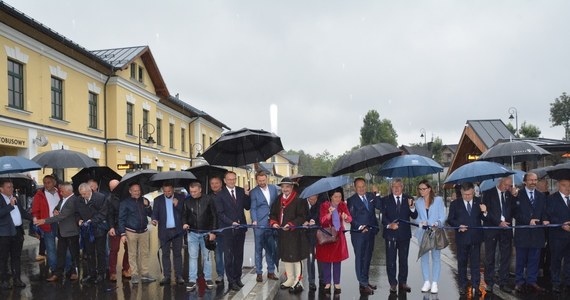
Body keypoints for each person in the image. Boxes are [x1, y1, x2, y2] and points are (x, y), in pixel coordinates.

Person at [34, 182, 81, 283]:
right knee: (61, 253)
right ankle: (57, 273)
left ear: (69, 191)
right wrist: (55, 210)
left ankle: (74, 272)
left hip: (71, 231)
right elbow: (58, 208)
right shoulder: (63, 199)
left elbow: (62, 216)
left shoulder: (73, 200)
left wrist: (44, 220)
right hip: (62, 231)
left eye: (62, 191)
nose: (60, 192)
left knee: (73, 253)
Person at [270, 177, 309, 294]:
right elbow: (272, 214)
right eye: (283, 187)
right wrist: (275, 223)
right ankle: (290, 278)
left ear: (292, 187)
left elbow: (303, 216)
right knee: (286, 256)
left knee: (296, 257)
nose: (285, 189)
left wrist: (291, 224)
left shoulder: (299, 199)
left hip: (295, 233)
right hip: (282, 233)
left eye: (287, 186)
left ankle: (298, 280)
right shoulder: (278, 199)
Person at [447, 182, 487, 296]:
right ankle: (463, 286)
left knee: (475, 264)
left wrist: (485, 211)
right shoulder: (455, 204)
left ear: (473, 192)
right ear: (461, 192)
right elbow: (450, 219)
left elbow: (485, 218)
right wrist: (458, 225)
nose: (467, 197)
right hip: (462, 239)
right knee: (462, 264)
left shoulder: (479, 202)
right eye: (465, 194)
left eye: (469, 194)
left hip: (476, 238)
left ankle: (476, 286)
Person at [214, 171, 249, 291]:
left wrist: (247, 194)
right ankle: (231, 281)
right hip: (228, 230)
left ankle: (238, 278)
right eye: (229, 179)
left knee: (239, 255)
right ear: (224, 180)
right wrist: (231, 222)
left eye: (234, 179)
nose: (232, 181)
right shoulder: (220, 195)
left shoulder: (240, 191)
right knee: (229, 257)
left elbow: (247, 206)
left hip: (241, 229)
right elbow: (220, 213)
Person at [381, 178, 418, 293]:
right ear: (391, 187)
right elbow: (383, 217)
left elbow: (415, 215)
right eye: (394, 186)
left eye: (399, 186)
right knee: (391, 261)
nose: (396, 188)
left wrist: (412, 206)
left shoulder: (409, 198)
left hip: (404, 235)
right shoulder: (386, 199)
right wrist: (389, 225)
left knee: (403, 260)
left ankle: (403, 282)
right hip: (390, 235)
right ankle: (393, 283)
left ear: (402, 187)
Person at [513, 172, 548, 293]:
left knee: (534, 259)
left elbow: (544, 211)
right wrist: (528, 220)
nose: (533, 182)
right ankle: (519, 282)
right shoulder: (517, 195)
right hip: (522, 233)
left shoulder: (542, 196)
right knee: (521, 259)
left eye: (535, 180)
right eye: (531, 180)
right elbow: (515, 213)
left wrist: (545, 220)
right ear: (525, 181)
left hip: (537, 234)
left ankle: (532, 281)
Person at [482, 176, 515, 293]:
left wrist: (516, 196)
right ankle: (489, 282)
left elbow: (515, 210)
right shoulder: (487, 194)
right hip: (492, 229)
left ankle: (504, 282)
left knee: (505, 257)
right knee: (490, 258)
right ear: (500, 182)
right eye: (506, 185)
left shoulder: (510, 195)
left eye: (510, 185)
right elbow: (484, 213)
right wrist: (498, 222)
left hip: (506, 230)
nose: (508, 187)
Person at [182, 181, 218, 291]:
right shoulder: (187, 201)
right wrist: (184, 223)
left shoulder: (208, 199)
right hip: (192, 233)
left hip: (206, 233)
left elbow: (214, 216)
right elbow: (184, 215)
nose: (193, 193)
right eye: (191, 191)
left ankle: (208, 278)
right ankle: (192, 280)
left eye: (195, 191)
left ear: (200, 190)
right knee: (193, 257)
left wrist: (213, 232)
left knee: (206, 257)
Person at [346, 178, 379, 295]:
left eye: (363, 186)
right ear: (355, 188)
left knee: (368, 257)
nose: (361, 189)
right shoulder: (351, 200)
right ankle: (362, 284)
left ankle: (365, 280)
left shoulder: (371, 196)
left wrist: (377, 193)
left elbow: (379, 206)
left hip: (371, 232)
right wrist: (360, 227)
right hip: (359, 234)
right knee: (360, 258)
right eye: (359, 187)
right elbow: (350, 218)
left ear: (366, 186)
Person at [413, 179, 446, 294]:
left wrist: (437, 223)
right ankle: (426, 281)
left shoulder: (438, 200)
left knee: (436, 258)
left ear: (429, 189)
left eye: (424, 189)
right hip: (423, 233)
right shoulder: (418, 202)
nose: (422, 191)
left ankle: (435, 282)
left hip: (436, 232)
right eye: (420, 189)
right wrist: (421, 222)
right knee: (424, 258)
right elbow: (416, 218)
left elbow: (443, 216)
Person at [119, 183, 155, 284]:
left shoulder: (144, 200)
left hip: (143, 231)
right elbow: (121, 219)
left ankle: (145, 274)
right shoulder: (125, 202)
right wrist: (122, 234)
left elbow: (150, 214)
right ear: (130, 191)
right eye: (135, 191)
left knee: (145, 253)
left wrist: (147, 205)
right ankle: (134, 274)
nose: (137, 192)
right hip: (131, 232)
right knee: (132, 254)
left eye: (138, 190)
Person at [0, 179, 32, 289]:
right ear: (1, 189)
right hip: (4, 234)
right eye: (9, 187)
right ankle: (4, 280)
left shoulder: (15, 198)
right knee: (3, 258)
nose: (11, 189)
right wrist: (10, 205)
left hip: (17, 231)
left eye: (12, 187)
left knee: (16, 257)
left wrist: (34, 218)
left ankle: (17, 279)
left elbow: (22, 212)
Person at [151, 182, 185, 286]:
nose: (167, 193)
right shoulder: (158, 200)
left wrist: (177, 205)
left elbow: (184, 213)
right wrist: (154, 220)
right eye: (165, 191)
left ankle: (179, 276)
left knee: (177, 254)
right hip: (164, 231)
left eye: (169, 191)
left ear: (173, 189)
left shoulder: (181, 198)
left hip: (177, 230)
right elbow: (155, 213)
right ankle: (167, 276)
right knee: (165, 254)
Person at [249, 171, 279, 282]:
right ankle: (259, 273)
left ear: (267, 179)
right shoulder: (254, 192)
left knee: (270, 248)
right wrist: (254, 220)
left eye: (263, 180)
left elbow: (276, 205)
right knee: (258, 249)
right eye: (259, 181)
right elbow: (253, 208)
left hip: (271, 222)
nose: (262, 182)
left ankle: (271, 271)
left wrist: (277, 219)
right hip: (259, 224)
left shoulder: (273, 189)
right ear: (256, 180)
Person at [77, 183, 108, 284]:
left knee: (100, 252)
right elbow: (76, 212)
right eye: (81, 194)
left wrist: (91, 221)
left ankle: (101, 274)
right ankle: (91, 274)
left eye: (84, 194)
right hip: (86, 230)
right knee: (89, 253)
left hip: (99, 229)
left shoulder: (100, 197)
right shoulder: (79, 199)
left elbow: (103, 213)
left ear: (90, 190)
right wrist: (79, 220)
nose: (83, 196)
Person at [31, 175, 61, 278]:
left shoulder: (60, 193)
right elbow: (35, 210)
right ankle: (54, 271)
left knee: (65, 247)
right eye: (44, 182)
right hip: (47, 224)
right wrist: (36, 222)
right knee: (50, 249)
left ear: (54, 183)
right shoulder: (40, 194)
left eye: (48, 182)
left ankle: (69, 268)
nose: (46, 184)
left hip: (60, 224)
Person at [546, 178, 570, 293]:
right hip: (557, 236)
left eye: (569, 186)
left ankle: (568, 282)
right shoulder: (551, 199)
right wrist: (561, 224)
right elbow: (548, 215)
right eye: (564, 185)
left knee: (569, 261)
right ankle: (555, 282)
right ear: (558, 186)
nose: (568, 188)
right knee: (556, 260)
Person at [106, 179, 130, 281]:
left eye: (116, 187)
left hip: (127, 226)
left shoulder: (128, 196)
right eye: (112, 188)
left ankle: (126, 269)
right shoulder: (109, 199)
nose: (114, 189)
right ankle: (112, 272)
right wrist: (111, 227)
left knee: (129, 249)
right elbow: (109, 214)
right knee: (114, 250)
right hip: (115, 227)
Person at [304, 194, 322, 291]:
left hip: (319, 236)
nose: (312, 201)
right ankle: (311, 281)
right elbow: (300, 216)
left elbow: (322, 219)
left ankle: (322, 279)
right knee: (310, 259)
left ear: (317, 197)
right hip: (308, 236)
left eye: (314, 199)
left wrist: (315, 222)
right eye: (310, 199)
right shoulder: (303, 205)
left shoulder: (320, 205)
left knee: (320, 258)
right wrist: (305, 222)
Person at [209, 176, 225, 285]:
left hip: (227, 228)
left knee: (230, 253)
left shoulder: (226, 195)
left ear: (221, 183)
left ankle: (232, 274)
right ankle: (220, 274)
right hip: (216, 229)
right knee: (218, 254)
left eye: (217, 183)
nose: (214, 185)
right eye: (212, 184)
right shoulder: (208, 197)